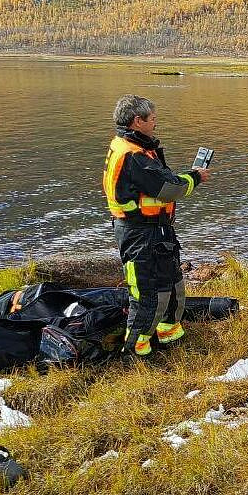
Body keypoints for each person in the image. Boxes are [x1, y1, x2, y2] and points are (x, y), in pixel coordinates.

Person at [102, 95, 210, 357]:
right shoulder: (133, 155)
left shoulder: (134, 147)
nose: (156, 123)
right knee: (148, 291)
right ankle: (136, 351)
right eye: (152, 119)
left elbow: (162, 181)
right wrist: (196, 176)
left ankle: (169, 334)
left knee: (172, 283)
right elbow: (168, 188)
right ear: (137, 121)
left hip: (155, 230)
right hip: (140, 232)